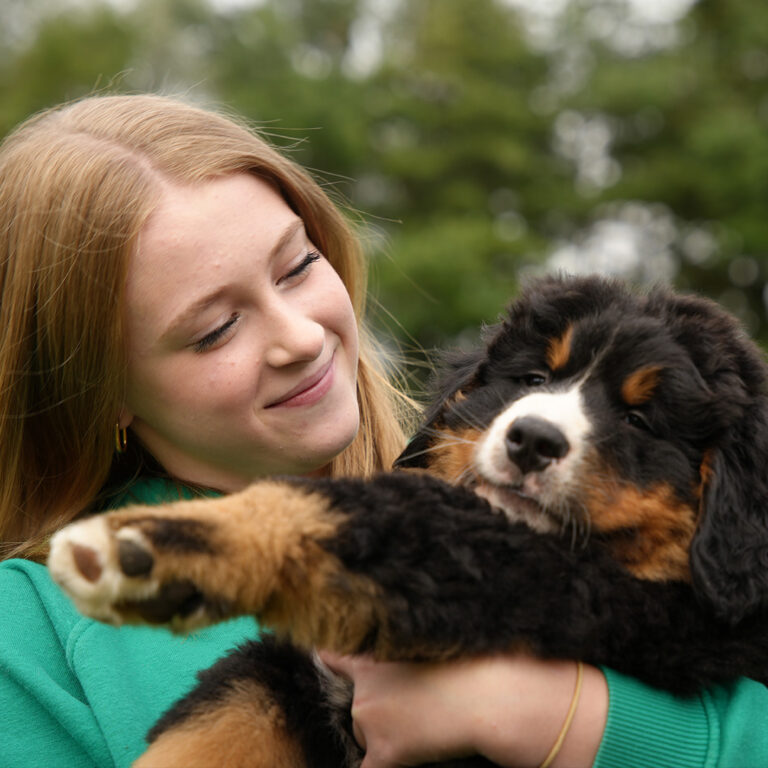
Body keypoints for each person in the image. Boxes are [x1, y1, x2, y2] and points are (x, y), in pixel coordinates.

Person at [0, 94, 765, 768]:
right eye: (216, 327)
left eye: (296, 266)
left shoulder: (518, 499)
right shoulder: (27, 630)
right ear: (101, 393)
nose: (298, 335)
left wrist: (562, 718)